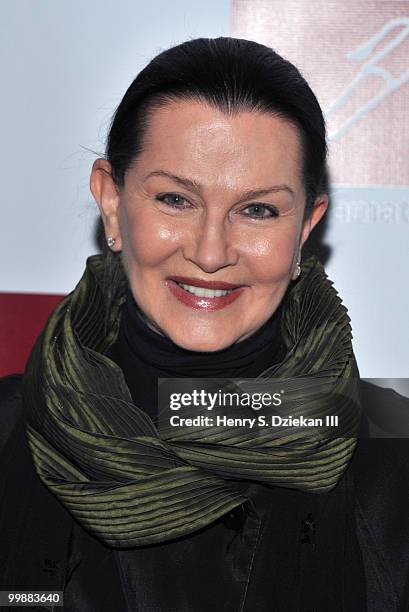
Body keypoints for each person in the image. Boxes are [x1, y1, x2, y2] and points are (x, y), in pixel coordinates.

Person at [1, 36, 408, 612]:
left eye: (258, 209)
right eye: (175, 199)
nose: (211, 252)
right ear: (112, 201)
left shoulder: (395, 457)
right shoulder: (7, 433)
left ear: (307, 225)